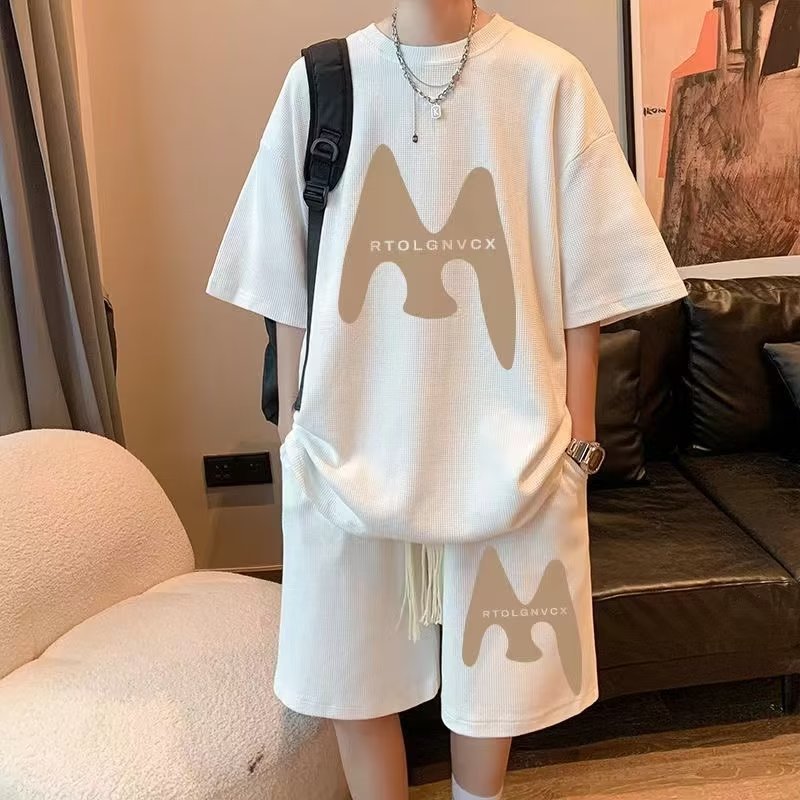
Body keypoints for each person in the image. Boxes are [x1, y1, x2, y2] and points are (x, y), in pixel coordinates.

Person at [206, 2, 688, 798]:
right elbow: (283, 279)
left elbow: (590, 287)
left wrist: (577, 448)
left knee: (494, 678)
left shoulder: (549, 81)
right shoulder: (322, 81)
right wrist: (294, 436)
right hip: (345, 442)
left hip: (511, 444)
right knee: (350, 677)